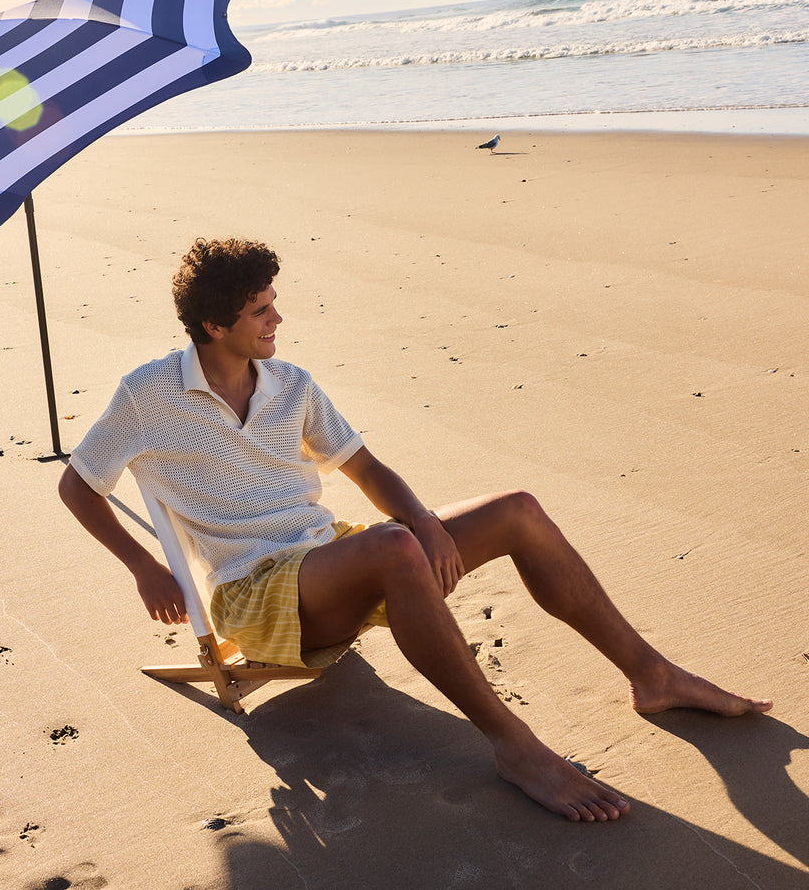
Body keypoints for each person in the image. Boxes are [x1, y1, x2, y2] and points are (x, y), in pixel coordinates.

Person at [58, 237, 771, 823]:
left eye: (275, 303)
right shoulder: (149, 394)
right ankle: (514, 745)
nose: (278, 319)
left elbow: (369, 472)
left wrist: (426, 521)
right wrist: (144, 567)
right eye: (260, 311)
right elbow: (78, 485)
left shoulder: (291, 386)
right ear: (214, 326)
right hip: (252, 593)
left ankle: (651, 675)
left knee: (517, 508)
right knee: (394, 543)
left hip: (331, 557)